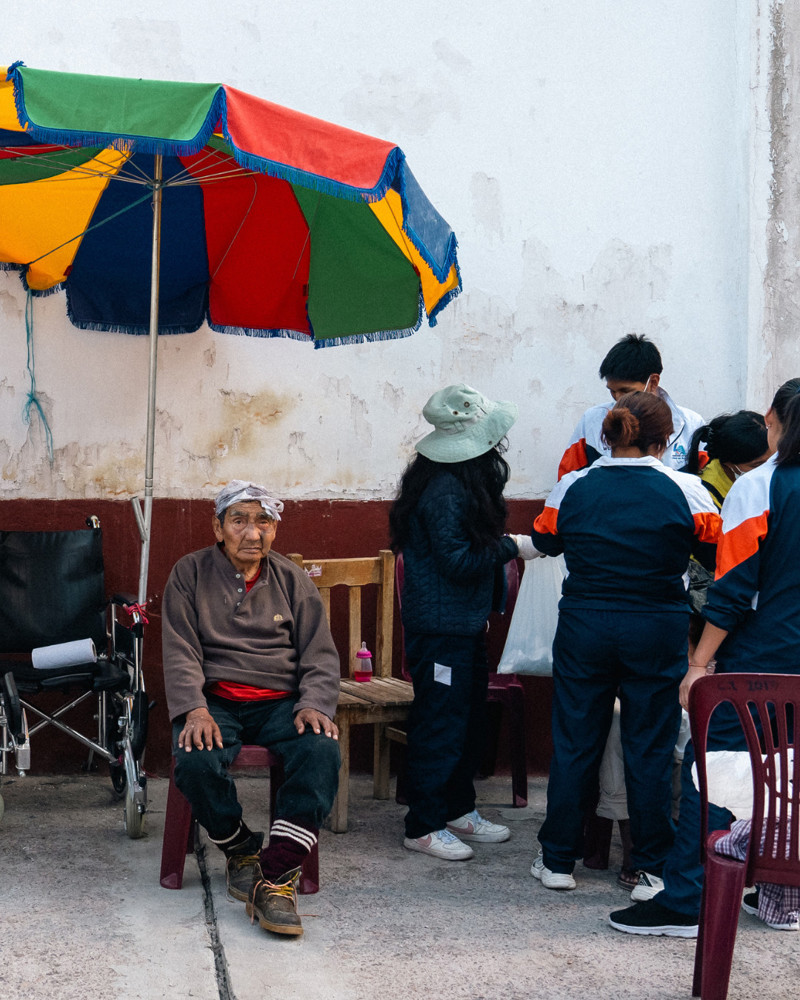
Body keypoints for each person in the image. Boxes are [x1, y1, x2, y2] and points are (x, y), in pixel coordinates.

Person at [609, 377, 800, 937]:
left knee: (712, 766)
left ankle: (688, 899)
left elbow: (733, 588)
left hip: (765, 654)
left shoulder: (760, 486)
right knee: (789, 770)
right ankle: (780, 890)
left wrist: (698, 665)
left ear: (771, 420)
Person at [528, 391, 720, 891]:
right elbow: (715, 554)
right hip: (656, 626)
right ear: (665, 440)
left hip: (585, 624)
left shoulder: (573, 485)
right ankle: (651, 866)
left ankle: (557, 860)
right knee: (649, 746)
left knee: (575, 740)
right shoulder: (688, 490)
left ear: (607, 434)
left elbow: (546, 541)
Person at [162, 480, 341, 938]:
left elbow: (320, 653)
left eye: (264, 521)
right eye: (239, 520)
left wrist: (314, 703)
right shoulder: (189, 573)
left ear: (275, 530)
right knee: (195, 760)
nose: (252, 532)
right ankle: (240, 847)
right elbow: (180, 650)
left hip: (280, 701)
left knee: (321, 750)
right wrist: (194, 709)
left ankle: (276, 877)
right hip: (215, 700)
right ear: (218, 528)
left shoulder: (292, 579)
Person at [389, 383, 522, 860]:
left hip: (460, 626)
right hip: (441, 631)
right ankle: (423, 825)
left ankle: (457, 810)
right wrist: (512, 547)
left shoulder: (453, 484)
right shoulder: (446, 492)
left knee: (464, 723)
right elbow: (458, 562)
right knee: (440, 726)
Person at [558, 333, 704, 478]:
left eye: (625, 391)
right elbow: (568, 480)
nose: (618, 399)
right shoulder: (592, 420)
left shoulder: (692, 425)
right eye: (612, 391)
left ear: (653, 382)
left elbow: (706, 485)